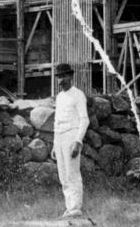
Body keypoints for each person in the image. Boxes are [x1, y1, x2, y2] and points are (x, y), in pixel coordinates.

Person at [52, 62, 89, 219]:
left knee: (72, 172)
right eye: (59, 77)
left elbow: (84, 119)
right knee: (63, 175)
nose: (61, 80)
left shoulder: (78, 95)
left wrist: (78, 141)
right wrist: (55, 144)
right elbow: (56, 121)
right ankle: (69, 207)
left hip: (71, 135)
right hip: (60, 137)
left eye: (64, 76)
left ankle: (75, 208)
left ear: (71, 76)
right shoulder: (59, 97)